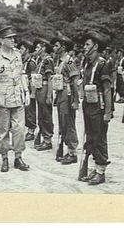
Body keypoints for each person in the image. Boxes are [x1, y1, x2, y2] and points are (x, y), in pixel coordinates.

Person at [0, 26, 30, 172]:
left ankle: (18, 157)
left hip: (17, 95)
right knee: (2, 130)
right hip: (1, 97)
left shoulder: (18, 54)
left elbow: (22, 74)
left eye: (13, 37)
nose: (13, 40)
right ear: (2, 40)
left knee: (19, 129)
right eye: (9, 38)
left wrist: (26, 91)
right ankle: (4, 158)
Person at [79, 31, 112, 185]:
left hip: (99, 106)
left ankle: (101, 171)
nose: (84, 47)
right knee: (91, 138)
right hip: (88, 105)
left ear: (96, 46)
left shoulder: (103, 64)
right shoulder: (87, 63)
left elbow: (107, 89)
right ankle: (96, 166)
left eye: (87, 44)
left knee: (99, 138)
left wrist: (107, 112)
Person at [52, 35, 79, 164]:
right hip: (60, 94)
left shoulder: (69, 61)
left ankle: (72, 151)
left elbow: (74, 81)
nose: (54, 48)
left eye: (57, 45)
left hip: (68, 95)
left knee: (69, 123)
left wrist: (75, 100)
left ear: (63, 47)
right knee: (63, 123)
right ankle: (66, 148)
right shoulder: (59, 61)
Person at [32, 37, 54, 151]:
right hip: (40, 88)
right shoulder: (40, 60)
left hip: (45, 87)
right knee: (40, 114)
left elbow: (50, 78)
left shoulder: (48, 60)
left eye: (38, 47)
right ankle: (43, 136)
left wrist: (49, 95)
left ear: (44, 48)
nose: (36, 49)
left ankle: (48, 139)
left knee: (46, 114)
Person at [17, 39, 37, 142]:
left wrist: (33, 92)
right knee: (24, 110)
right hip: (22, 89)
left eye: (22, 48)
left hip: (29, 89)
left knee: (30, 110)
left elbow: (33, 78)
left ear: (27, 50)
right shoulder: (22, 61)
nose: (20, 50)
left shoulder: (31, 63)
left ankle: (31, 130)